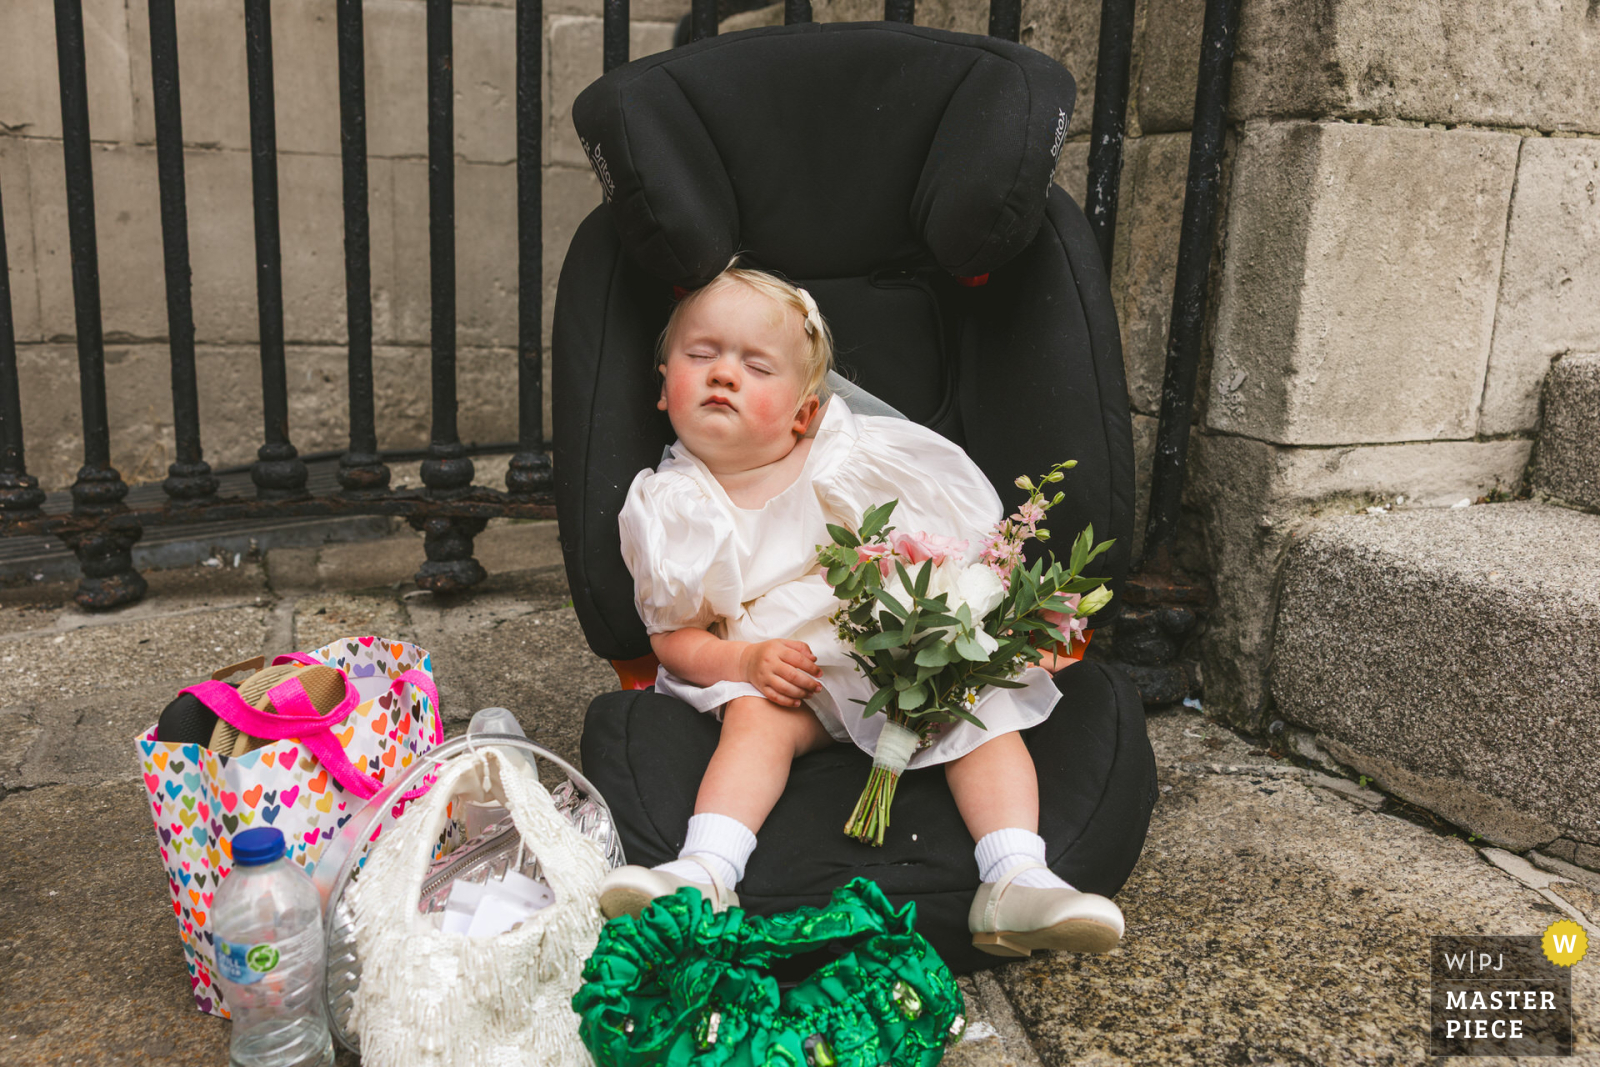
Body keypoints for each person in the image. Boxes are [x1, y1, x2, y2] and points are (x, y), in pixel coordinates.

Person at [597, 261, 1124, 956]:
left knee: (983, 711)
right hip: (789, 679)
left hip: (899, 658)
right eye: (701, 356)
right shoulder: (672, 505)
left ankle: (1015, 876)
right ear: (664, 386)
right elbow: (672, 637)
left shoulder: (848, 461)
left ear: (803, 413)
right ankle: (706, 870)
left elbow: (934, 552)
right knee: (755, 720)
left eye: (756, 366)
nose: (723, 374)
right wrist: (744, 661)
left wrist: (968, 633)